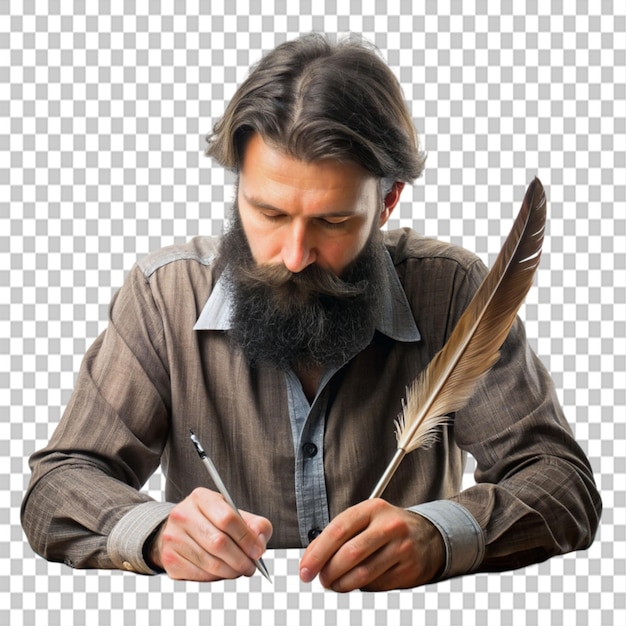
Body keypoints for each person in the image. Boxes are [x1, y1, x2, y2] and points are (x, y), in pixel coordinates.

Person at [21, 33, 601, 592]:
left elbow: (562, 484)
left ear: (386, 202)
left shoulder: (451, 291)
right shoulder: (164, 297)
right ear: (238, 188)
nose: (295, 257)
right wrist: (154, 534)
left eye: (331, 221)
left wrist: (440, 534)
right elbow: (57, 486)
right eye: (268, 214)